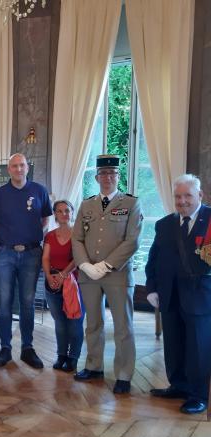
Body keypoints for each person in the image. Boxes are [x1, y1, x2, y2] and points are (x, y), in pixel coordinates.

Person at [72, 154, 142, 394]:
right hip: (88, 275)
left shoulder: (131, 204)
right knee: (93, 323)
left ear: (118, 176)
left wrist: (106, 265)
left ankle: (123, 374)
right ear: (97, 177)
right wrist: (85, 265)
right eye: (103, 173)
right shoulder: (86, 204)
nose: (107, 178)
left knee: (123, 326)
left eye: (112, 174)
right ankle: (94, 365)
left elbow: (132, 241)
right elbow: (77, 238)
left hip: (117, 275)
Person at [145, 174, 210, 414]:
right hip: (169, 296)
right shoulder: (164, 224)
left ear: (200, 196)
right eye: (178, 196)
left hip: (201, 298)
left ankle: (198, 395)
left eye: (188, 196)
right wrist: (151, 288)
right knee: (173, 345)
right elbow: (153, 259)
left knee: (198, 348)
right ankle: (178, 385)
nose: (182, 201)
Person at [0, 153, 52, 369]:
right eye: (14, 166)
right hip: (4, 254)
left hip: (31, 254)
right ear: (8, 169)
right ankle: (5, 348)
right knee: (4, 302)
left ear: (28, 168)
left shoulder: (39, 191)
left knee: (27, 302)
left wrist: (29, 236)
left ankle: (27, 348)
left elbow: (44, 219)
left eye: (22, 165)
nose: (18, 169)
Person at [42, 200, 83, 373]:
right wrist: (49, 276)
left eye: (67, 210)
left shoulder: (79, 234)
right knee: (59, 322)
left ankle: (73, 357)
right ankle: (61, 355)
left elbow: (77, 259)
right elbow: (45, 258)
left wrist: (62, 274)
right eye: (60, 211)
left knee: (74, 321)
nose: (64, 214)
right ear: (55, 214)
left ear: (72, 212)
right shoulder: (50, 235)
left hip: (74, 283)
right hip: (53, 283)